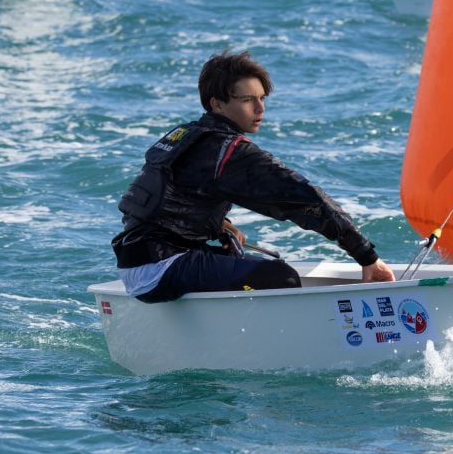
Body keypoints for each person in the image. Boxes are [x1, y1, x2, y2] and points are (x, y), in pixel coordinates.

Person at [111, 51, 396, 303]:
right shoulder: (228, 151)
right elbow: (304, 199)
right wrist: (366, 257)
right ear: (216, 104)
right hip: (162, 266)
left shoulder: (186, 136)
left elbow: (161, 203)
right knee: (280, 277)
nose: (260, 110)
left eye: (262, 99)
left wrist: (219, 225)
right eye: (247, 100)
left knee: (246, 263)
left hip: (138, 265)